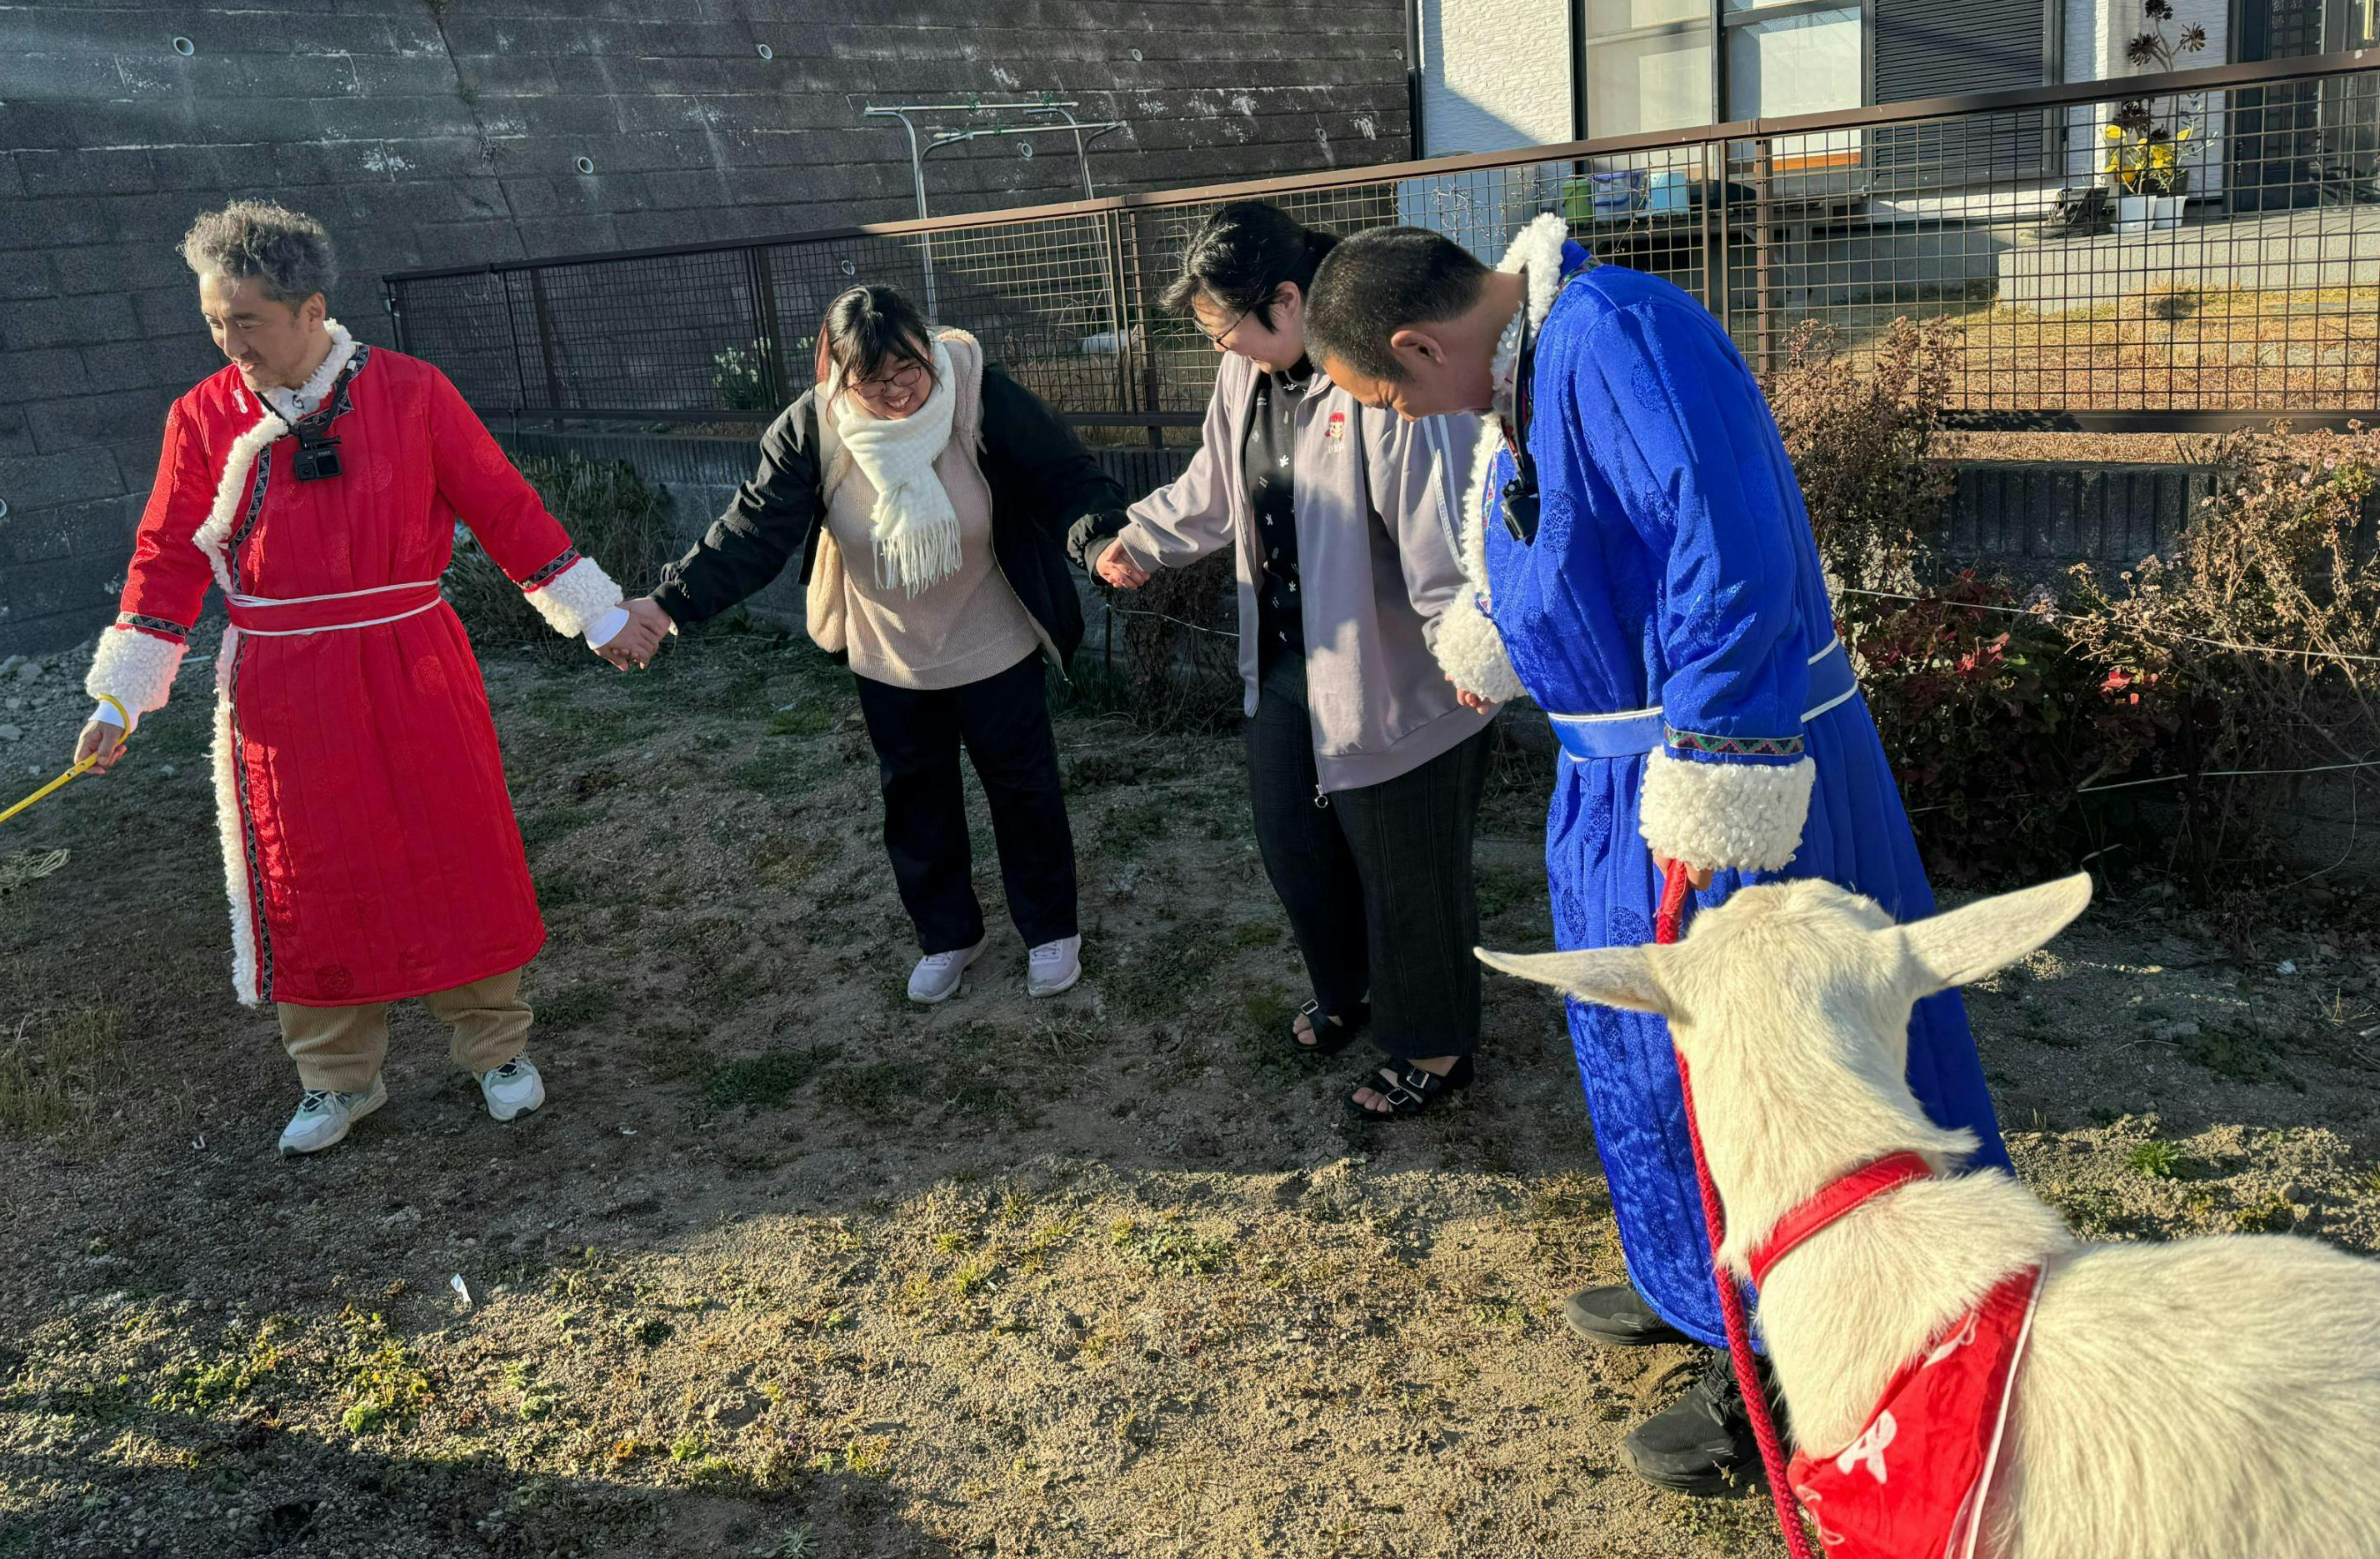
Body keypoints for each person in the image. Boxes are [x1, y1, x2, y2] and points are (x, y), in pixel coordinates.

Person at [1302, 215, 2008, 1496]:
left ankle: (1801, 1367)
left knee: (1776, 1077)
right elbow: (1580, 548)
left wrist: (1724, 760)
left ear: (1419, 344)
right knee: (1655, 1067)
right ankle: (1699, 1288)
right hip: (1616, 783)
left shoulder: (1618, 337)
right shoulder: (1529, 368)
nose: (1403, 419)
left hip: (1727, 783)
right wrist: (1508, 642)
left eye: (1387, 397)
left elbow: (1723, 554)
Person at [73, 200, 658, 1158]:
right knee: (305, 870)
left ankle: (496, 1048)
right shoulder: (202, 417)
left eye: (247, 321)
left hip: (411, 659)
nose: (230, 345)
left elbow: (504, 507)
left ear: (311, 311)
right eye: (215, 322)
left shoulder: (414, 392)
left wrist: (597, 614)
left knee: (454, 846)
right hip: (281, 686)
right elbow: (166, 558)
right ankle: (335, 1077)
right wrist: (120, 696)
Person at [1090, 202, 1492, 1120]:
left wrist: (1471, 645)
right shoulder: (1249, 373)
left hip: (1402, 673)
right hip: (1286, 659)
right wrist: (1139, 540)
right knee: (1296, 844)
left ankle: (1434, 1044)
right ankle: (1351, 990)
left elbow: (1442, 526)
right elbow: (1214, 487)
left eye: (1225, 329)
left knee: (1409, 868)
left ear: (1287, 299)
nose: (1222, 349)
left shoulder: (1379, 370)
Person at [615, 285, 1128, 1004]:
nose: (898, 391)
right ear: (836, 376)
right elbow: (753, 528)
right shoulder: (815, 426)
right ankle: (948, 934)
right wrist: (668, 601)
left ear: (928, 346)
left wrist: (1099, 539)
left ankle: (1049, 927)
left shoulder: (976, 391)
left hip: (992, 636)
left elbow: (1064, 475)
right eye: (873, 380)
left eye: (909, 368)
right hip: (889, 652)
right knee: (915, 800)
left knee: (1024, 789)